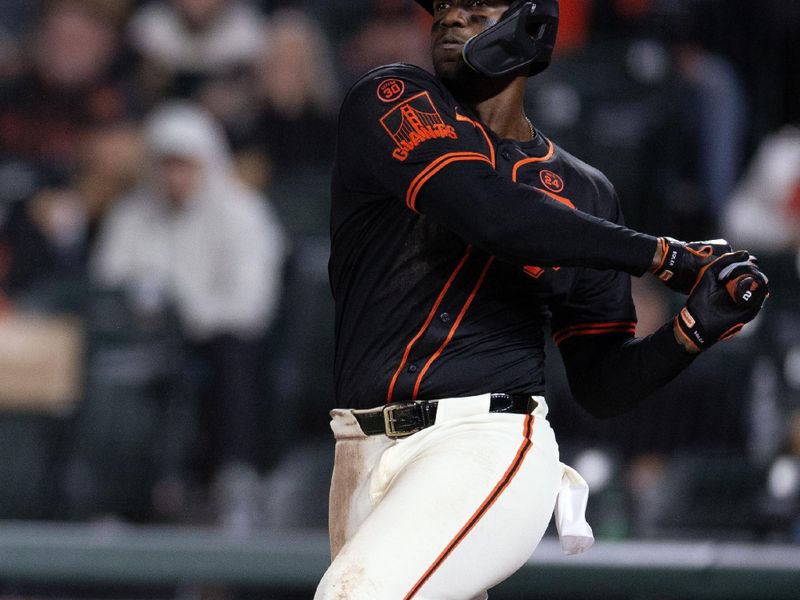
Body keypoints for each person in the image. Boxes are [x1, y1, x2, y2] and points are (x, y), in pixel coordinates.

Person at [317, 1, 768, 599]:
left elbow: (601, 382)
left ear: (532, 24)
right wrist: (667, 257)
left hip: (482, 442)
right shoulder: (390, 97)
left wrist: (692, 329)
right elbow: (490, 211)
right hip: (358, 450)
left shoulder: (583, 191)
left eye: (477, 6)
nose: (452, 16)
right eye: (445, 6)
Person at [91, 101, 285, 532]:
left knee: (233, 354)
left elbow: (251, 305)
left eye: (185, 166)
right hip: (146, 343)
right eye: (166, 166)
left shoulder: (242, 213)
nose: (174, 178)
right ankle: (114, 490)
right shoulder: (132, 215)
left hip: (214, 342)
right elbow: (108, 286)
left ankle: (234, 477)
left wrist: (183, 313)